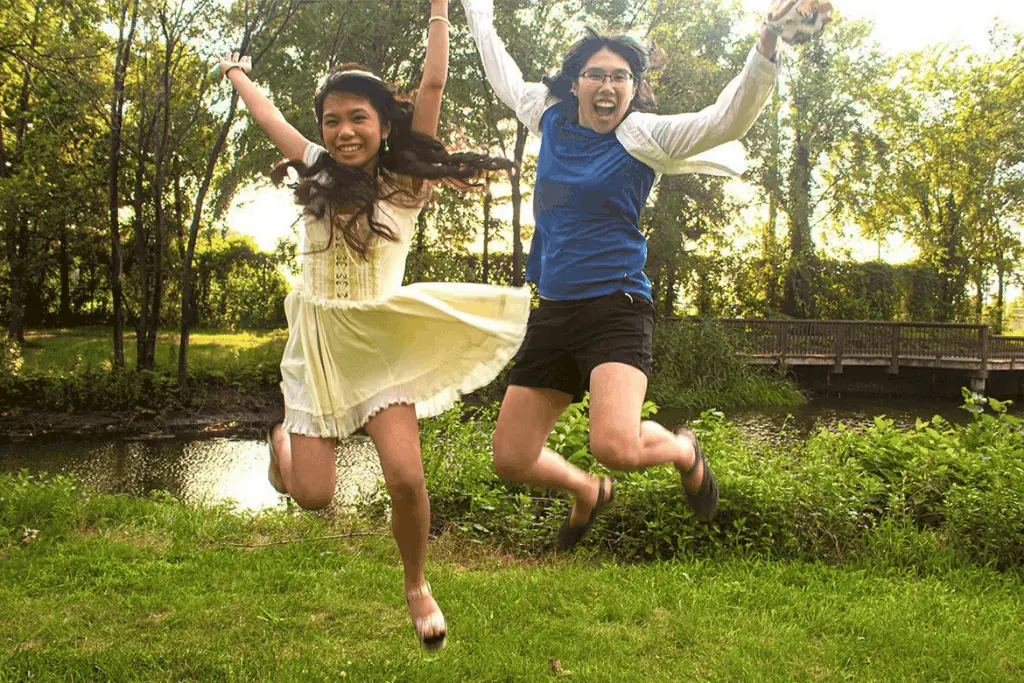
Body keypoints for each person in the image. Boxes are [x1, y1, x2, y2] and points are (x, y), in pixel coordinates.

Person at [461, 0, 830, 549]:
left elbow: (727, 119)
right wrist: (475, 9)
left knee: (617, 445)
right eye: (596, 75)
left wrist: (767, 42)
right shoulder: (551, 115)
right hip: (555, 309)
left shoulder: (644, 137)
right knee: (511, 458)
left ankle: (683, 450)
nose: (607, 86)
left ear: (634, 88)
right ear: (577, 81)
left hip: (617, 306)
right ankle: (587, 491)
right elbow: (501, 70)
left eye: (620, 77)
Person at [219, 0, 530, 650]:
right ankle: (282, 447)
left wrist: (440, 11)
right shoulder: (314, 167)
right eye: (332, 120)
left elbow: (434, 86)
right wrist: (238, 75)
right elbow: (268, 114)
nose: (343, 131)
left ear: (383, 124)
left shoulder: (404, 186)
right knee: (311, 496)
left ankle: (417, 585)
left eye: (357, 117)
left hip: (381, 342)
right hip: (319, 345)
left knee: (407, 477)